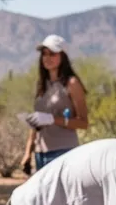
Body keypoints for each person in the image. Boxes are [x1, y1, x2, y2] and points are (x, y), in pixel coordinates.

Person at [20, 35, 87, 174]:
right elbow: (36, 125)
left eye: (52, 54)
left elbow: (83, 123)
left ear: (63, 56)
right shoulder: (41, 85)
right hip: (40, 154)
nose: (47, 58)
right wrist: (28, 152)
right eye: (44, 54)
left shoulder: (72, 84)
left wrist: (52, 119)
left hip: (63, 152)